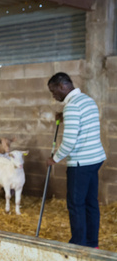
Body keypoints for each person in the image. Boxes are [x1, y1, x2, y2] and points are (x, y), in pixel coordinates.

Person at [46, 72, 106, 248]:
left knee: (76, 205)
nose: (53, 95)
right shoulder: (87, 100)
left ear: (62, 86)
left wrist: (54, 159)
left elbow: (70, 142)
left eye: (53, 91)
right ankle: (92, 243)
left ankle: (78, 245)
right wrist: (63, 118)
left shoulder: (71, 107)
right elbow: (83, 123)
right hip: (95, 159)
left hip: (80, 163)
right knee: (90, 202)